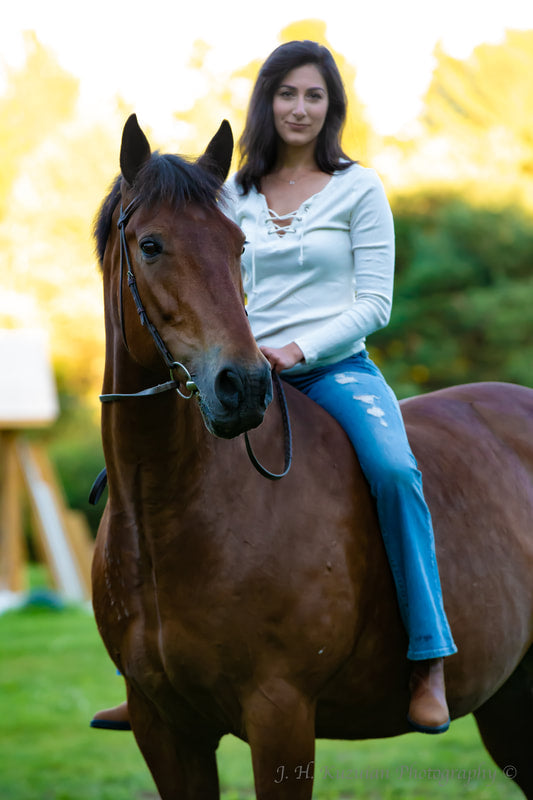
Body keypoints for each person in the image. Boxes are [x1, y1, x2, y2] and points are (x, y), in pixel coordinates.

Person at [91, 39, 457, 735]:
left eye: (314, 95)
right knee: (141, 475)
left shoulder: (359, 189)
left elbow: (375, 303)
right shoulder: (228, 194)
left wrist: (297, 347)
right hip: (240, 370)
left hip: (335, 370)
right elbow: (201, 277)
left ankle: (428, 657)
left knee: (393, 469)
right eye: (287, 94)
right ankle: (142, 674)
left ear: (331, 107)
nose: (299, 108)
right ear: (267, 103)